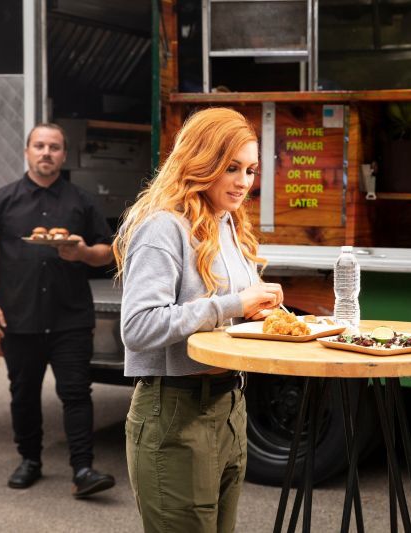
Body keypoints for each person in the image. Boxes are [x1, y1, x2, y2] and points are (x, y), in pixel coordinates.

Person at [113, 107, 283, 532]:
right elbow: (137, 328)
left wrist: (258, 311)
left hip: (230, 404)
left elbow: (223, 314)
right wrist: (233, 304)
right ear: (201, 161)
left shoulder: (228, 224)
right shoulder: (162, 228)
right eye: (231, 168)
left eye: (250, 169)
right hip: (176, 409)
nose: (244, 182)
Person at [0, 123, 116, 498]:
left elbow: (107, 253)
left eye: (54, 147)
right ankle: (29, 460)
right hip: (19, 316)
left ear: (64, 155)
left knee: (76, 393)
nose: (46, 153)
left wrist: (81, 252)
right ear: (27, 152)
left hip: (70, 316)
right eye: (39, 146)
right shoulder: (2, 200)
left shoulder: (81, 201)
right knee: (23, 393)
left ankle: (83, 469)